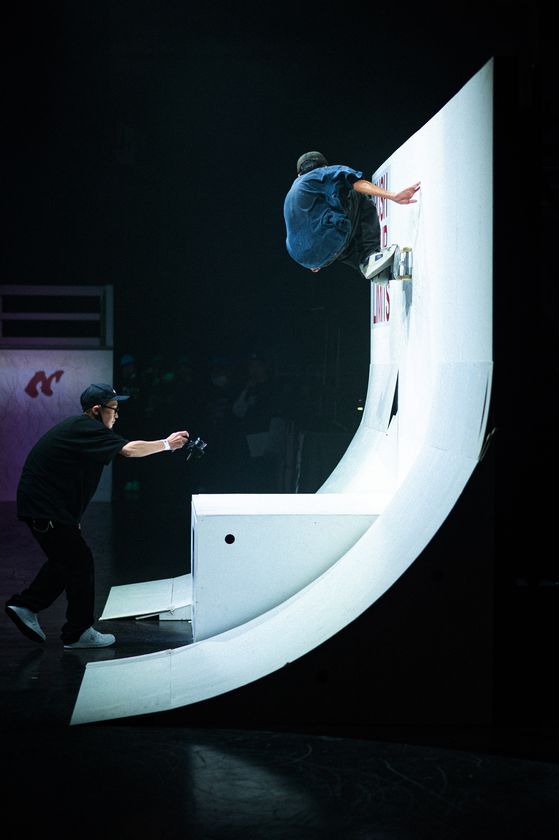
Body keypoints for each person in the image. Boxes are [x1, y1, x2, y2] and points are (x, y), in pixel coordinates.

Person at [4, 383, 189, 649]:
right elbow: (130, 450)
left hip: (48, 508)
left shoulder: (82, 430)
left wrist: (70, 516)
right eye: (113, 409)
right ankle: (77, 632)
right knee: (79, 563)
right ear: (96, 410)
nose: (116, 415)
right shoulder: (87, 428)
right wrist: (167, 444)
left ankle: (26, 606)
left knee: (66, 561)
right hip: (45, 508)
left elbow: (67, 476)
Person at [283, 151, 420, 278]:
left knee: (342, 237)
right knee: (353, 193)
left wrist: (313, 261)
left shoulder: (291, 195)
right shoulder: (322, 173)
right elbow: (355, 182)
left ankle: (371, 268)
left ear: (299, 175)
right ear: (324, 166)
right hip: (327, 238)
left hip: (303, 257)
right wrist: (393, 196)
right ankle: (369, 257)